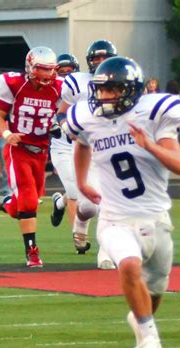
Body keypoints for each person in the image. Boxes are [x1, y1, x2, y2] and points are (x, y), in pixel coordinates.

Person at [71, 56, 180, 348]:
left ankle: (142, 318)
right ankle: (148, 338)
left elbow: (179, 165)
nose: (105, 96)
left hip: (156, 217)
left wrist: (148, 144)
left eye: (113, 89)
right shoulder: (87, 116)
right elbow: (81, 143)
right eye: (102, 90)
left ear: (131, 90)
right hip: (114, 218)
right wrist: (82, 181)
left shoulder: (152, 113)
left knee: (157, 288)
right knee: (129, 266)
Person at [0, 46, 62, 267]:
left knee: (22, 207)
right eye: (42, 69)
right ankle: (32, 252)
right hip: (18, 148)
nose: (47, 75)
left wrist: (59, 123)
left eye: (51, 70)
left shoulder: (59, 87)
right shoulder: (14, 84)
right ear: (30, 67)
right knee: (29, 200)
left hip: (40, 152)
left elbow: (63, 113)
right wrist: (7, 133)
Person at [51, 39, 117, 270]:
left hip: (113, 148)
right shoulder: (76, 83)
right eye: (96, 58)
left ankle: (106, 253)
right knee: (89, 206)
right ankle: (80, 222)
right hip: (85, 148)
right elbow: (62, 111)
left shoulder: (122, 79)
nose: (100, 62)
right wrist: (66, 125)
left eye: (104, 58)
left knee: (110, 203)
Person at [49, 53, 80, 230]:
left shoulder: (83, 92)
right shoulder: (50, 92)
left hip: (82, 146)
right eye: (62, 72)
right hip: (61, 147)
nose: (66, 76)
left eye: (70, 71)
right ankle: (79, 237)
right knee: (74, 191)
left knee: (84, 190)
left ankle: (60, 203)